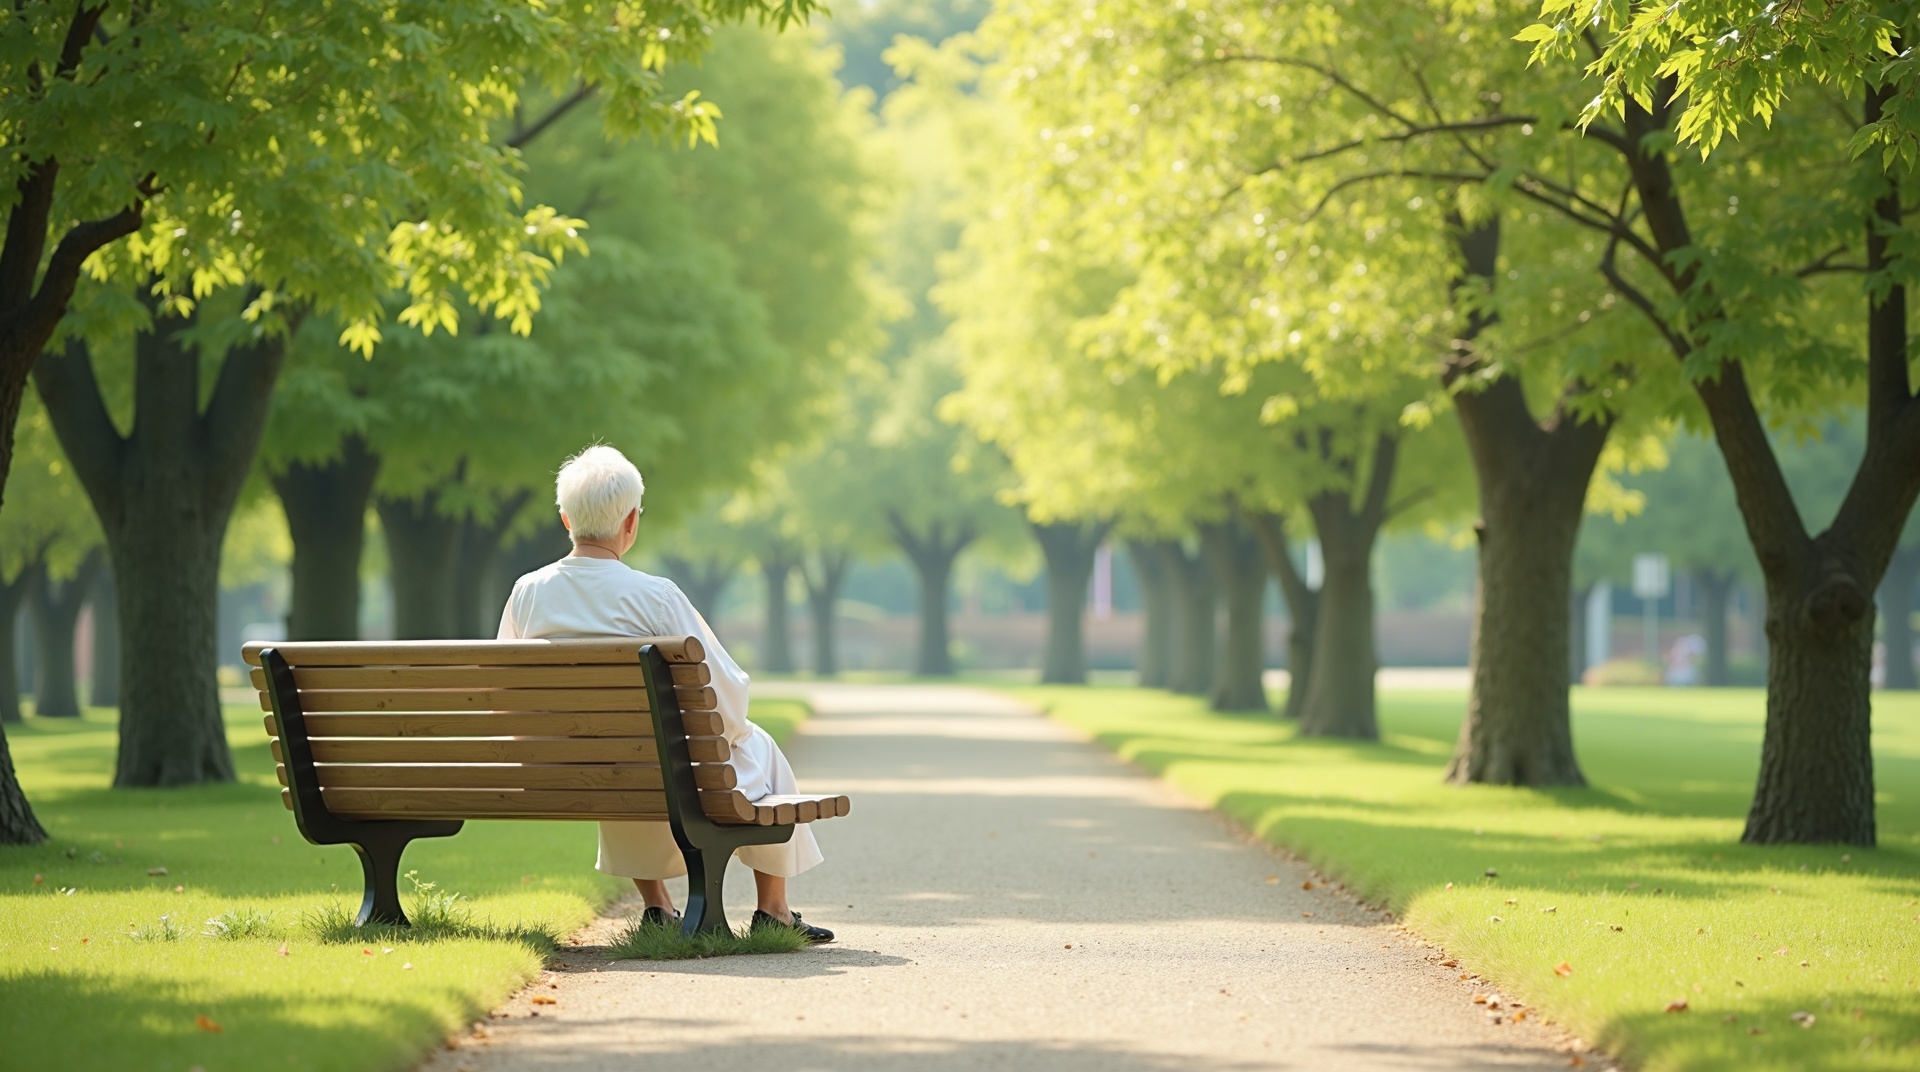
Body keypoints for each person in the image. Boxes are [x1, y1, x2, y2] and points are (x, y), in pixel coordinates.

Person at [497, 445, 832, 942]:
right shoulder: (656, 596)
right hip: (656, 766)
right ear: (631, 521)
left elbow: (509, 692)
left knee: (621, 755)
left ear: (566, 518)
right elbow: (722, 693)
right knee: (750, 744)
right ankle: (774, 909)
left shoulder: (527, 590)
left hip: (567, 767)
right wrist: (736, 733)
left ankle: (657, 906)